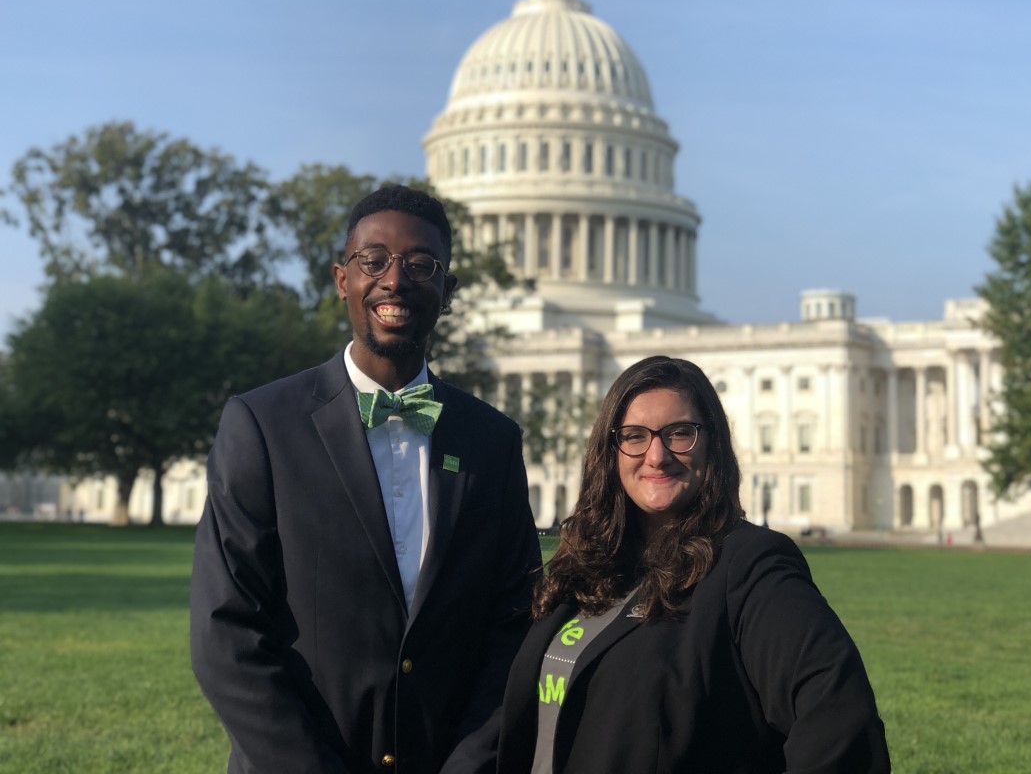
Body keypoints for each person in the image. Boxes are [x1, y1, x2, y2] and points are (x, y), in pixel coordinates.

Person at [191, 185, 541, 773]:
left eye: (421, 265)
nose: (395, 281)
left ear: (447, 290)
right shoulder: (261, 425)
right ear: (341, 279)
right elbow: (226, 633)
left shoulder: (492, 442)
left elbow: (515, 627)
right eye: (373, 261)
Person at [496, 355, 890, 774]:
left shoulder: (749, 566)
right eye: (634, 436)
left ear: (712, 442)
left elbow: (840, 719)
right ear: (610, 451)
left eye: (680, 433)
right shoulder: (583, 565)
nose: (657, 455)